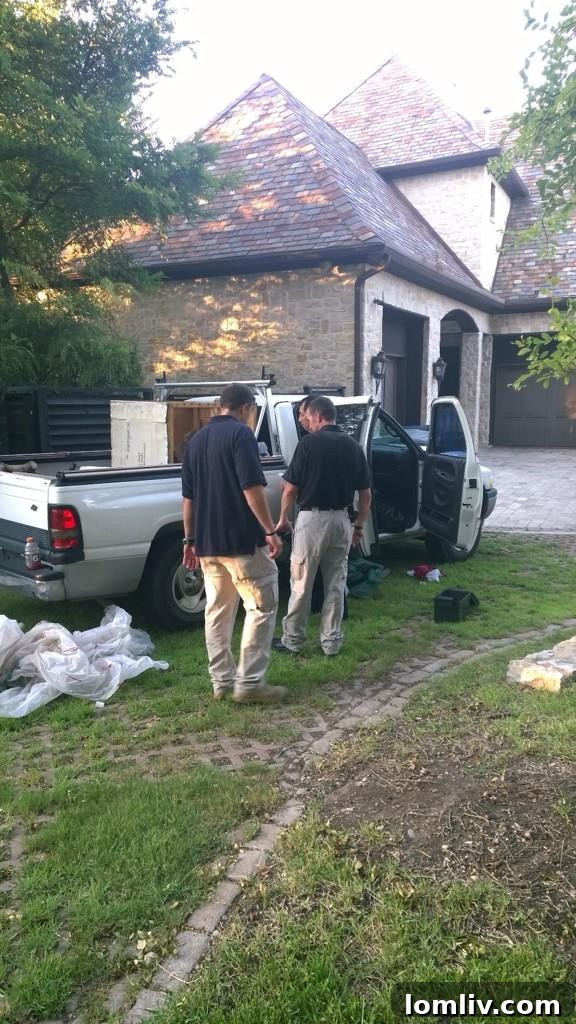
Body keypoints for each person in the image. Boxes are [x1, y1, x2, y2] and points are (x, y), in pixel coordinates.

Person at [181, 383, 287, 704]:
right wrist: (269, 529)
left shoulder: (196, 441)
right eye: (252, 411)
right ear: (245, 408)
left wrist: (189, 540)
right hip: (241, 542)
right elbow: (252, 488)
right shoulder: (242, 436)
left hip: (207, 545)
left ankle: (222, 682)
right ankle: (250, 683)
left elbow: (188, 499)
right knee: (262, 606)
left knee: (217, 611)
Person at [273, 395, 372, 657]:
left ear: (318, 416)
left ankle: (293, 639)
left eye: (308, 417)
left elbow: (291, 488)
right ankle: (331, 642)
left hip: (312, 520)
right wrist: (359, 526)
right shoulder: (353, 446)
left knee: (302, 582)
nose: (306, 422)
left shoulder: (308, 444)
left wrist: (283, 518)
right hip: (342, 520)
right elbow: (365, 494)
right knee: (336, 583)